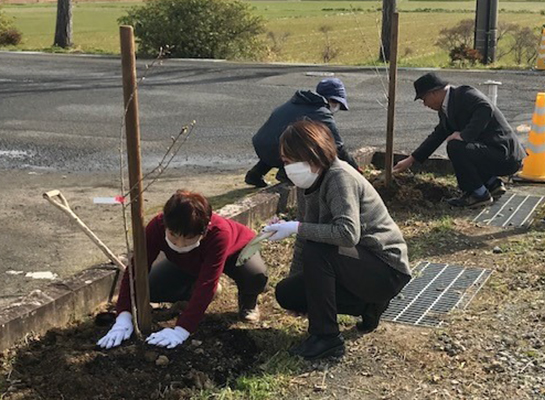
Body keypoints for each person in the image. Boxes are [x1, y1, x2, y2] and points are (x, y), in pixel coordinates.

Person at [264, 120, 412, 360]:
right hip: (352, 265)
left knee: (318, 248)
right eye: (285, 161)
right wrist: (299, 283)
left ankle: (326, 338)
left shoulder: (339, 177)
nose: (287, 167)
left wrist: (296, 227)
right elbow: (304, 237)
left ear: (311, 156)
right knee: (287, 293)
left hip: (385, 268)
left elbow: (347, 233)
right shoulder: (306, 183)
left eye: (291, 160)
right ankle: (369, 306)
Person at [97, 190, 267, 350]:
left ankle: (248, 302)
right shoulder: (156, 227)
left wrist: (182, 329)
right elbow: (135, 270)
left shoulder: (219, 233)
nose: (180, 244)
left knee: (255, 275)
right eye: (173, 236)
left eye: (188, 238)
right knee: (151, 288)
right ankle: (190, 294)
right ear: (165, 224)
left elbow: (207, 283)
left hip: (236, 253)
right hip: (187, 262)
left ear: (204, 230)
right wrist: (123, 316)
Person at [393, 73, 527, 208]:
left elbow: (485, 108)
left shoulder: (464, 95)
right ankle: (492, 184)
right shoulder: (446, 108)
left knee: (456, 146)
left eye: (424, 99)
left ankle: (478, 194)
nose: (424, 104)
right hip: (493, 154)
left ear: (433, 93)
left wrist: (464, 135)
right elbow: (438, 135)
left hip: (505, 155)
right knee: (459, 145)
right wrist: (411, 159)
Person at [245, 78, 360, 188]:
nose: (336, 107)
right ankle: (285, 173)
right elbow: (338, 146)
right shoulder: (321, 112)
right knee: (314, 147)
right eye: (335, 102)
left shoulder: (297, 102)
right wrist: (356, 170)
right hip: (280, 153)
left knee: (286, 140)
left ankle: (255, 174)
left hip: (262, 145)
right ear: (327, 99)